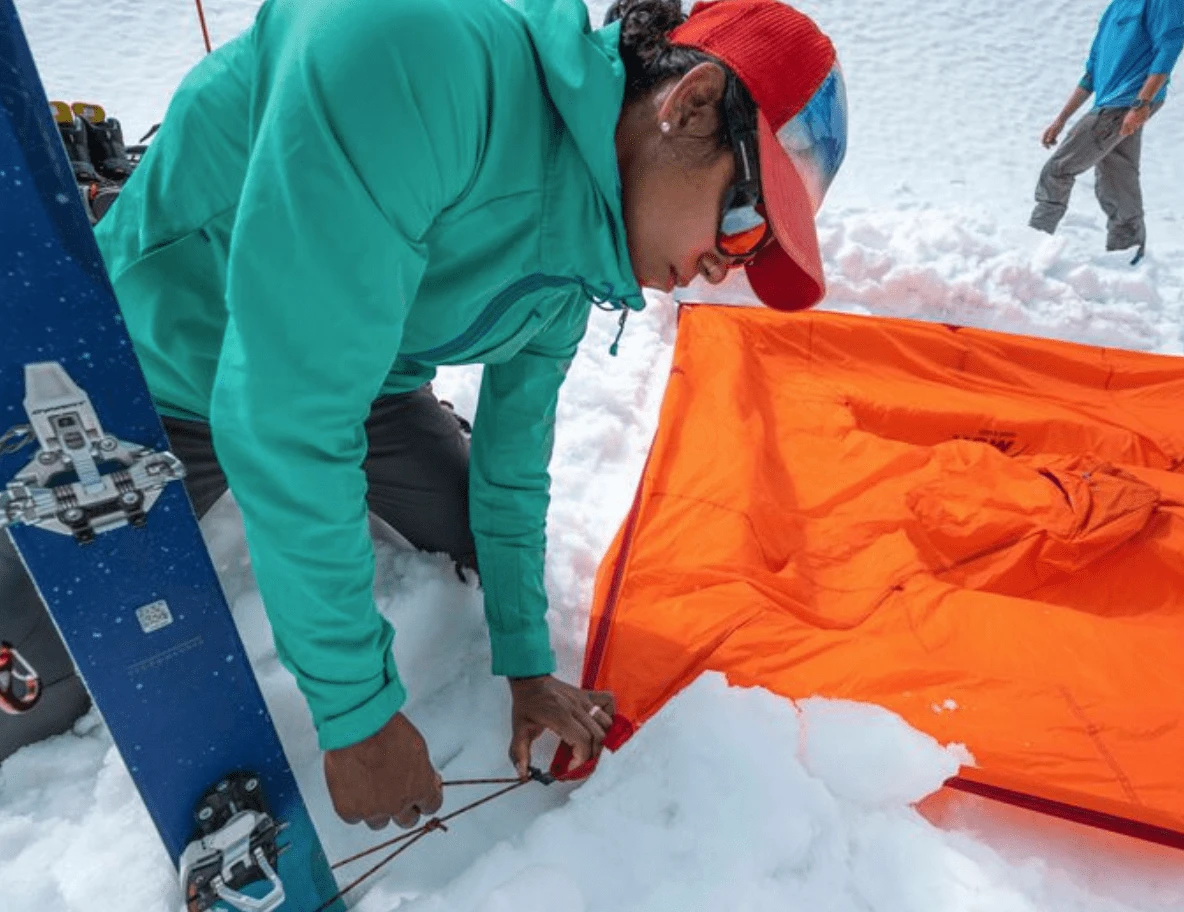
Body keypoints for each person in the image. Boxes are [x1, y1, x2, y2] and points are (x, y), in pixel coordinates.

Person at [1, 0, 846, 831]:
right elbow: (287, 418)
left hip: (360, 367)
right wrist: (357, 716)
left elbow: (513, 471)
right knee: (36, 684)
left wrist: (525, 662)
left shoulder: (588, 250)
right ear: (689, 103)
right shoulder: (416, 54)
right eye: (742, 226)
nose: (716, 269)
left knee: (476, 528)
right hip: (178, 360)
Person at [1030, 0, 1183, 263]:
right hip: (1113, 102)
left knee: (1058, 169)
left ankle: (1033, 244)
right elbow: (1091, 73)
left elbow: (1170, 45)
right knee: (1117, 175)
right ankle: (1129, 257)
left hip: (1127, 102)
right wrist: (1061, 119)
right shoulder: (1115, 8)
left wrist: (1141, 102)